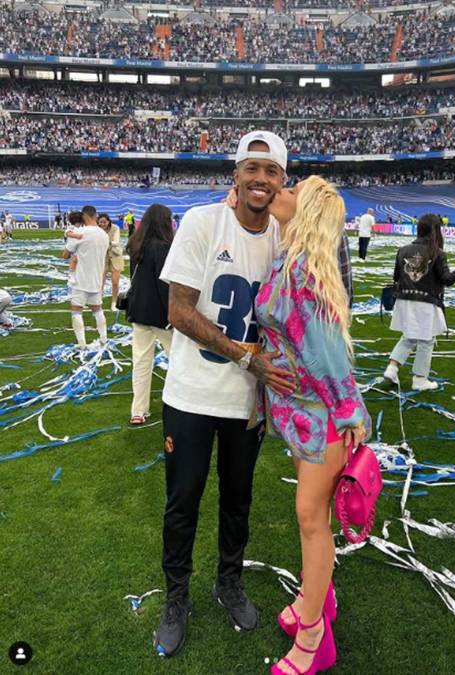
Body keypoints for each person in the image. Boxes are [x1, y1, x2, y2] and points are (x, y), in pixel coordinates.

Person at [154, 131, 295, 658]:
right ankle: (176, 599)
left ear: (283, 180)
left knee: (239, 502)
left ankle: (228, 583)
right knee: (182, 503)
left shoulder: (285, 240)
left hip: (247, 405)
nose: (261, 179)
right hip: (191, 396)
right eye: (251, 168)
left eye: (271, 171)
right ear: (234, 174)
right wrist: (247, 356)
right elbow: (179, 311)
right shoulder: (201, 222)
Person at [254, 176, 372, 675]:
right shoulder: (287, 260)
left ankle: (314, 639)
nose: (282, 187)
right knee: (310, 517)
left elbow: (327, 355)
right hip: (301, 415)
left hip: (324, 416)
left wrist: (349, 413)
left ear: (305, 212)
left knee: (310, 519)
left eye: (293, 189)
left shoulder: (304, 270)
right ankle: (315, 602)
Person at [383, 213, 455, 391]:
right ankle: (419, 379)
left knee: (409, 336)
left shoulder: (403, 250)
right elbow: (447, 279)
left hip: (404, 300)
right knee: (426, 341)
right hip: (425, 303)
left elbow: (396, 277)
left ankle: (391, 369)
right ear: (436, 231)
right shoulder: (438, 253)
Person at [126, 204, 174, 425]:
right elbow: (164, 284)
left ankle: (138, 410)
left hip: (138, 311)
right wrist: (173, 315)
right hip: (160, 314)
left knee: (141, 361)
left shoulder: (136, 244)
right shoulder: (163, 247)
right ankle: (177, 404)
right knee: (178, 361)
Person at [63, 205, 109, 350]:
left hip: (80, 279)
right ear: (95, 216)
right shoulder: (104, 234)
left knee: (76, 310)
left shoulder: (79, 232)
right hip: (96, 278)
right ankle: (103, 340)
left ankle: (82, 344)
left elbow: (65, 255)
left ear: (84, 216)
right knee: (97, 309)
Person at [98, 213, 125, 310]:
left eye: (104, 222)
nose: (102, 224)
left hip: (115, 255)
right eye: (100, 222)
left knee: (115, 282)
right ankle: (98, 301)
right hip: (103, 256)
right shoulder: (97, 229)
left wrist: (105, 242)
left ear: (108, 221)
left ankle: (114, 302)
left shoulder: (115, 228)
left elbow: (116, 241)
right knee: (100, 281)